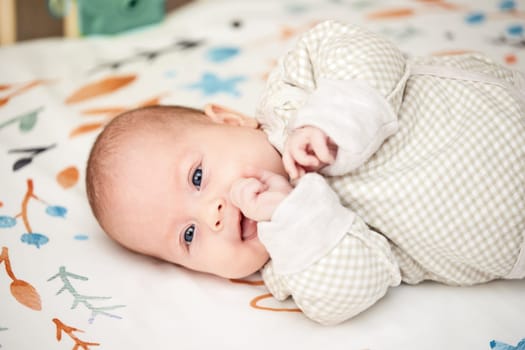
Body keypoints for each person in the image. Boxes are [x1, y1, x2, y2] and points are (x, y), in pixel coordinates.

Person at [86, 20, 525, 325]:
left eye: (197, 178)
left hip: (504, 111)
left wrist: (328, 119)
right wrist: (296, 219)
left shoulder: (295, 95)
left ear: (229, 119)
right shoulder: (295, 263)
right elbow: (352, 288)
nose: (214, 215)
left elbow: (365, 49)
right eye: (188, 236)